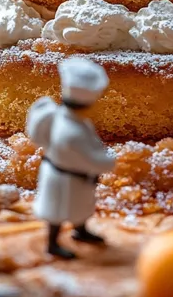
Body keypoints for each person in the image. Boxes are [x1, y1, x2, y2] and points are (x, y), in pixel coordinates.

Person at [27, 56, 116, 259]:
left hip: (76, 177)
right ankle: (52, 244)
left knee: (80, 205)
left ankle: (80, 230)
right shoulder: (70, 132)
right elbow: (86, 158)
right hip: (63, 176)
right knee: (57, 211)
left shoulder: (76, 121)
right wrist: (110, 161)